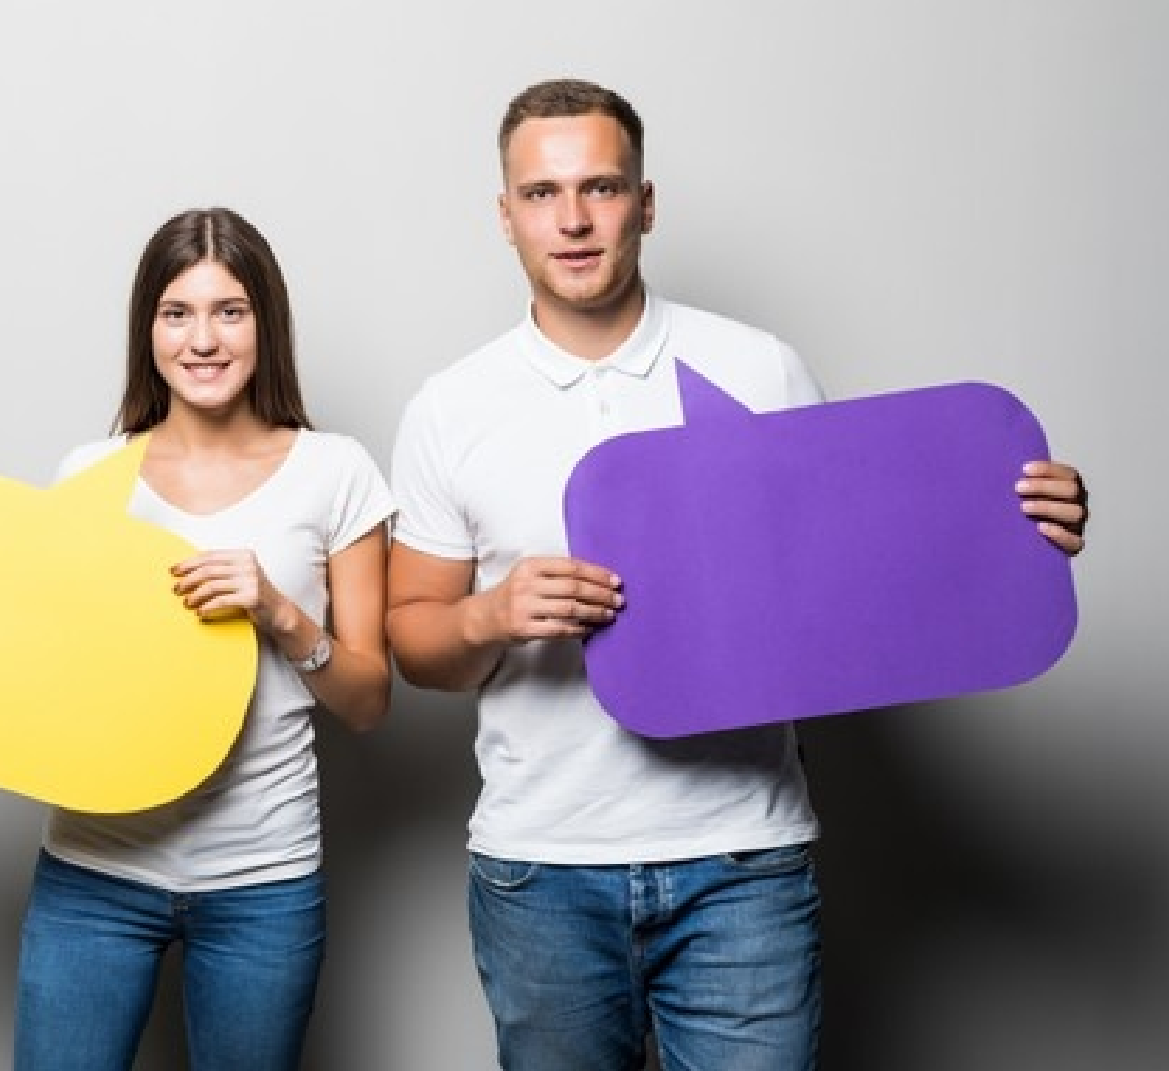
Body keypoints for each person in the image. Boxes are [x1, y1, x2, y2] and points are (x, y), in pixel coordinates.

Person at [386, 79, 1090, 1071]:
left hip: (741, 862)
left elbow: (853, 578)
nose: (574, 218)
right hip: (541, 870)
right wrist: (490, 616)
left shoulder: (758, 367)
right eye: (543, 194)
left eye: (601, 186)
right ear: (505, 215)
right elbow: (412, 634)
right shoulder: (451, 407)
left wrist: (1009, 522)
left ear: (645, 201)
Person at [0, 207, 395, 1071]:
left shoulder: (335, 471)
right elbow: (32, 678)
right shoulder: (91, 477)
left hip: (263, 888)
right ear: (149, 331)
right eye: (178, 314)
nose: (204, 339)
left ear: (265, 325)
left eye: (230, 311)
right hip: (94, 877)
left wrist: (278, 611)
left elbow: (369, 700)